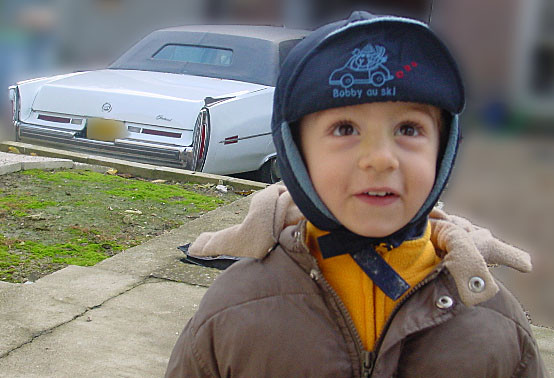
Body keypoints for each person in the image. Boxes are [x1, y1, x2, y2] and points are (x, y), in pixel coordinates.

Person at [166, 11, 547, 377]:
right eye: (345, 129)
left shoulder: (494, 324)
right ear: (297, 154)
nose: (380, 159)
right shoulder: (234, 309)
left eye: (409, 129)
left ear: (443, 150)